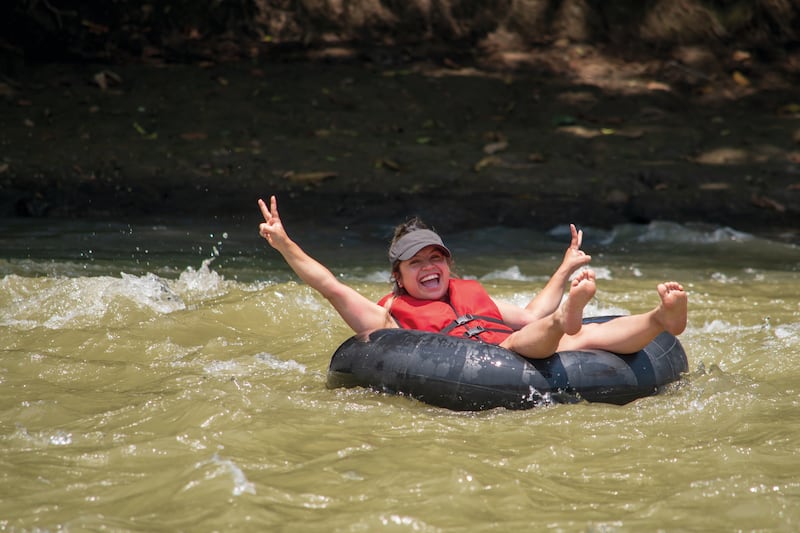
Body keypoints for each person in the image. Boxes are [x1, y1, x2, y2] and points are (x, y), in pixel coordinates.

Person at [257, 195, 687, 359]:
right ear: (398, 275)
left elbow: (531, 311)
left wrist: (566, 265)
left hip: (520, 340)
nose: (430, 268)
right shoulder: (385, 317)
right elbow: (329, 286)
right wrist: (284, 243)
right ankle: (566, 319)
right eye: (416, 263)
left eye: (436, 259)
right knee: (535, 336)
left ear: (448, 262)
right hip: (492, 359)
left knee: (583, 336)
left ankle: (659, 319)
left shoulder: (469, 294)